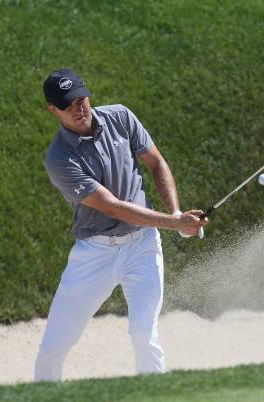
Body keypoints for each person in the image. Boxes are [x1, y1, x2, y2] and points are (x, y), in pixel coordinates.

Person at [34, 69, 208, 381]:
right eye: (68, 104)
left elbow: (156, 162)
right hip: (94, 254)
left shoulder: (120, 117)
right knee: (54, 345)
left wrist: (177, 213)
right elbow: (113, 207)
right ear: (53, 110)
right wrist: (174, 223)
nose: (79, 106)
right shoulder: (59, 159)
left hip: (142, 247)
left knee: (144, 336)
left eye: (80, 97)